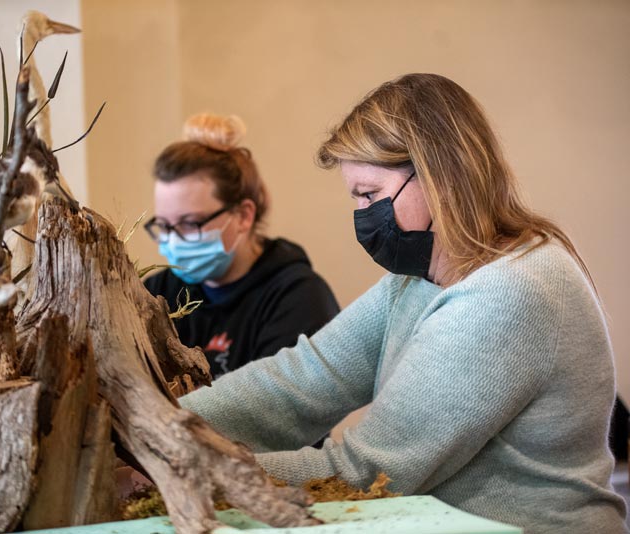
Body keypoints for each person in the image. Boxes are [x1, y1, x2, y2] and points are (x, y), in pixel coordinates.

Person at [177, 75, 629, 533]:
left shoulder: (511, 291)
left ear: (438, 177)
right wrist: (167, 428)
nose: (362, 216)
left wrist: (183, 471)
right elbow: (305, 379)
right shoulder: (416, 280)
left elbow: (370, 473)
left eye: (370, 195)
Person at [143, 113, 340, 379]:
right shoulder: (157, 295)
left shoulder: (298, 299)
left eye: (190, 223)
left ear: (244, 215)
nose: (173, 241)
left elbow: (277, 409)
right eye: (165, 226)